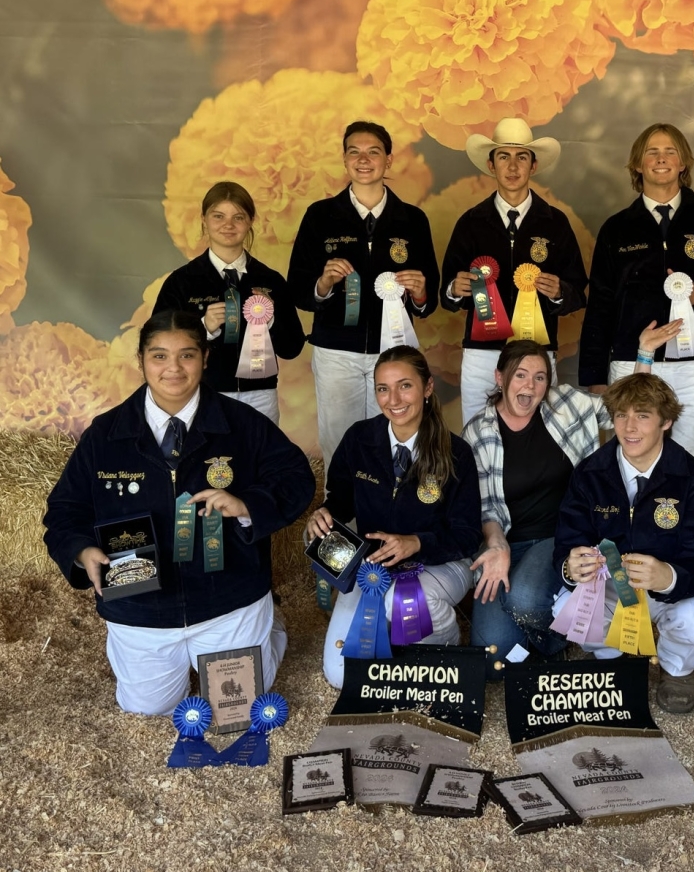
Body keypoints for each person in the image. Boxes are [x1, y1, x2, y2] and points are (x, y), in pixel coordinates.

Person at [43, 310, 315, 716]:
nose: (173, 368)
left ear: (205, 358)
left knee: (238, 707)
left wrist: (247, 505)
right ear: (141, 360)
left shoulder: (243, 424)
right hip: (140, 606)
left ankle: (267, 627)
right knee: (147, 708)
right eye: (159, 356)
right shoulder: (105, 434)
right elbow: (64, 510)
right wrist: (82, 551)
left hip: (228, 598)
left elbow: (297, 479)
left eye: (187, 356)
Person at [463, 320, 683, 675]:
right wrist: (498, 548)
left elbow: (622, 412)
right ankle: (551, 631)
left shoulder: (564, 402)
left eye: (539, 377)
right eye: (520, 375)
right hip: (506, 539)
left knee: (524, 598)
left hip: (561, 534)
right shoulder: (478, 430)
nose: (531, 385)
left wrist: (644, 355)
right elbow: (486, 505)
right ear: (500, 378)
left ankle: (554, 637)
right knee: (492, 659)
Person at [306, 346, 481, 690]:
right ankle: (397, 635)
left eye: (405, 386)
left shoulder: (455, 452)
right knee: (342, 675)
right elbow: (339, 500)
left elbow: (468, 534)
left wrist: (415, 542)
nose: (393, 399)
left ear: (428, 388)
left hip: (438, 563)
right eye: (383, 389)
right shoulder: (359, 438)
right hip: (373, 569)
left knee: (403, 603)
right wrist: (324, 515)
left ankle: (444, 647)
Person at [552, 374, 694, 714]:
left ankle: (678, 668)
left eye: (642, 415)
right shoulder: (589, 472)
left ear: (666, 420)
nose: (630, 427)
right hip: (612, 588)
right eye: (621, 415)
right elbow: (568, 538)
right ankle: (610, 660)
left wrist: (670, 577)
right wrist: (570, 567)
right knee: (566, 611)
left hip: (669, 589)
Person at [577, 123, 694, 463]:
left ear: (684, 163)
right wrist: (596, 376)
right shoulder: (617, 228)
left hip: (690, 364)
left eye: (670, 151)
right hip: (630, 361)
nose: (661, 158)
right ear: (637, 165)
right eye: (651, 152)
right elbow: (600, 303)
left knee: (690, 455)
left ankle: (683, 516)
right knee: (630, 452)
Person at [287, 121, 439, 469]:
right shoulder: (320, 216)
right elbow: (298, 289)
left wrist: (420, 293)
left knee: (395, 439)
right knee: (338, 442)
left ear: (388, 160)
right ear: (344, 160)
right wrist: (323, 284)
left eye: (373, 151)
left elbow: (428, 300)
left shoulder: (413, 220)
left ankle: (389, 516)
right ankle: (340, 520)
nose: (363, 159)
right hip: (336, 353)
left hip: (394, 353)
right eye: (354, 151)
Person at [440, 117, 589, 426]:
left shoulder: (555, 222)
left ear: (533, 166)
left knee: (535, 433)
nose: (512, 166)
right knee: (477, 433)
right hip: (482, 354)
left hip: (537, 353)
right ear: (491, 164)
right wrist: (455, 289)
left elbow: (578, 291)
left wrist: (561, 293)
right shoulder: (470, 222)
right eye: (503, 156)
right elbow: (447, 291)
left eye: (521, 157)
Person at [154, 182, 305, 425]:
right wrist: (203, 328)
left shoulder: (270, 280)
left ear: (251, 221)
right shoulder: (181, 282)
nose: (228, 225)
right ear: (204, 219)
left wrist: (272, 320)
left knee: (258, 461)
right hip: (202, 392)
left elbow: (292, 348)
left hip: (261, 395)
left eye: (238, 217)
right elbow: (158, 343)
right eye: (218, 216)